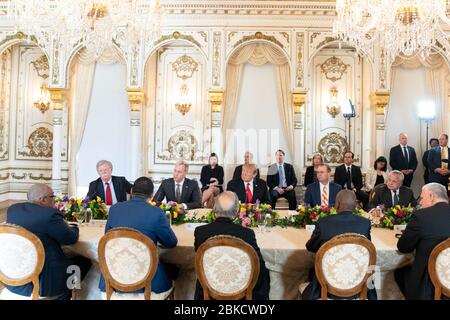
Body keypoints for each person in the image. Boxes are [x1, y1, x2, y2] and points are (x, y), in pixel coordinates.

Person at [5, 184, 91, 300]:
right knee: (85, 262)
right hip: (45, 282)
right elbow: (70, 239)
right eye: (52, 196)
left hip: (14, 277)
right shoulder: (49, 215)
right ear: (43, 199)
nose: (54, 200)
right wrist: (74, 227)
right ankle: (65, 294)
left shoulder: (13, 210)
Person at [99, 177, 178, 296]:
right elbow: (171, 243)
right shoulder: (156, 213)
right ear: (151, 196)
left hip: (114, 278)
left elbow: (108, 236)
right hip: (150, 282)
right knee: (176, 269)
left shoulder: (115, 209)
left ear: (131, 191)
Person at [194, 191, 270, 300]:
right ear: (236, 211)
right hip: (242, 294)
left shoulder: (200, 232)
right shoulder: (247, 234)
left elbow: (200, 262)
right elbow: (258, 265)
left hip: (210, 290)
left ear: (214, 209)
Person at [302, 190, 376, 300]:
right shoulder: (364, 223)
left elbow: (311, 247)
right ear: (355, 205)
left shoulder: (323, 222)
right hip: (357, 284)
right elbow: (366, 248)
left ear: (336, 204)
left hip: (326, 285)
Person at [395, 183, 450, 300]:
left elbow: (403, 247)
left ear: (431, 196)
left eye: (422, 197)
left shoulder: (421, 216)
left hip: (427, 284)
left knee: (398, 272)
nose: (420, 202)